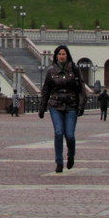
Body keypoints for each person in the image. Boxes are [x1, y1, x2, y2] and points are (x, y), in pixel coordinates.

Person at [38, 45, 87, 173]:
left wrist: (82, 105)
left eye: (64, 54)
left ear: (67, 55)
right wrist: (42, 108)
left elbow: (82, 88)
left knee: (70, 135)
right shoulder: (51, 71)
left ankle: (71, 155)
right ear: (56, 56)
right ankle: (59, 161)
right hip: (55, 105)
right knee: (59, 132)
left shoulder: (74, 69)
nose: (61, 56)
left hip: (71, 105)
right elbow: (46, 90)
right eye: (59, 54)